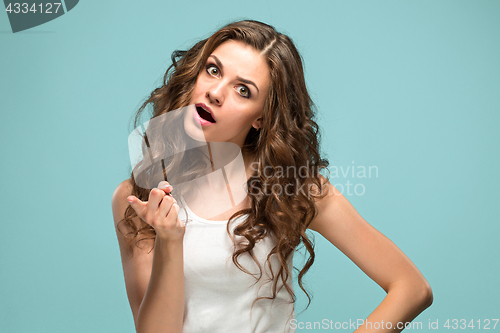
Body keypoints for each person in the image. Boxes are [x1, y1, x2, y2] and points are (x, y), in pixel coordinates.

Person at [111, 20, 433, 333]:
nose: (215, 93)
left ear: (262, 118)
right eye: (213, 70)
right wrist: (169, 240)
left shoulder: (291, 189)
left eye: (243, 90)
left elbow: (411, 288)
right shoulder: (137, 195)